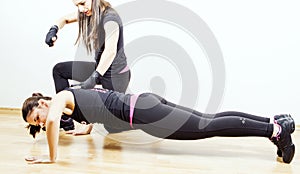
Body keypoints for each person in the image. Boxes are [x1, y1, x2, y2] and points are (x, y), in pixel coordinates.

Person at [22, 88, 296, 164]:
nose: (41, 123)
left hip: (146, 115)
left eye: (37, 118)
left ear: (43, 104)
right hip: (145, 102)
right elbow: (96, 104)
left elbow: (55, 120)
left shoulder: (58, 99)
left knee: (207, 127)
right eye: (36, 124)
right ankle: (274, 123)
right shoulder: (72, 98)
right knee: (209, 119)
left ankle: (276, 131)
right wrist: (87, 127)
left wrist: (52, 158)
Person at [44, 0, 131, 133]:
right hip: (100, 68)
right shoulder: (89, 12)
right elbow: (63, 19)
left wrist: (94, 78)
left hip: (115, 74)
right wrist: (53, 30)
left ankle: (144, 114)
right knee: (59, 70)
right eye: (77, 5)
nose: (81, 9)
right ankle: (66, 120)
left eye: (83, 3)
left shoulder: (110, 18)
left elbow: (110, 51)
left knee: (111, 126)